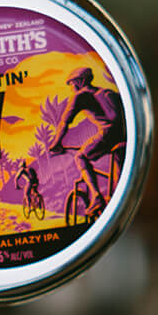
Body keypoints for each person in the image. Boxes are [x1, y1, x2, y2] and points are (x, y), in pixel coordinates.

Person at [48, 65, 125, 214]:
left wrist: (55, 143)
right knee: (118, 177)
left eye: (72, 83)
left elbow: (65, 122)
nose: (72, 88)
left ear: (80, 81)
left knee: (81, 156)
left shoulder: (81, 96)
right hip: (122, 135)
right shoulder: (107, 92)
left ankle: (96, 196)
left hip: (107, 134)